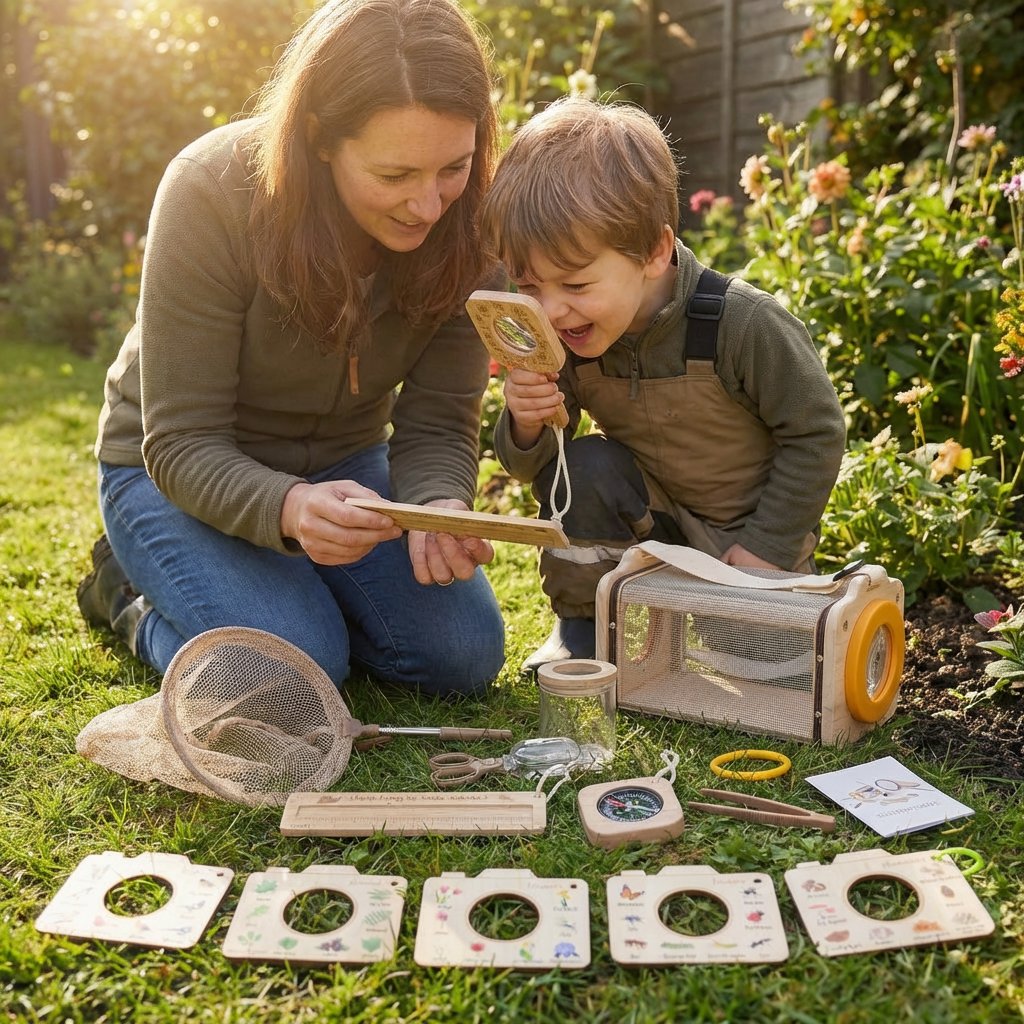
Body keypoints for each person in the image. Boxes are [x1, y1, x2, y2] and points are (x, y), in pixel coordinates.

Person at [76, 0, 506, 696]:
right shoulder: (212, 190)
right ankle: (128, 597)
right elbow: (180, 441)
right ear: (320, 137)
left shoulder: (472, 221)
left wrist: (440, 505)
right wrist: (290, 509)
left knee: (462, 657)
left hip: (344, 462)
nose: (429, 206)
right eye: (395, 176)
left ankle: (291, 597)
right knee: (291, 676)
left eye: (451, 168)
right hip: (171, 474)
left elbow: (437, 423)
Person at [479, 97, 847, 672]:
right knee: (583, 466)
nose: (549, 309)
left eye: (574, 284)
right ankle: (583, 627)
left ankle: (754, 614)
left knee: (764, 671)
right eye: (529, 285)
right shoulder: (570, 335)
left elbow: (817, 434)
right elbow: (535, 468)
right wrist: (527, 421)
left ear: (653, 250)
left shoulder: (743, 323)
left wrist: (765, 551)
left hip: (748, 536)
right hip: (655, 518)